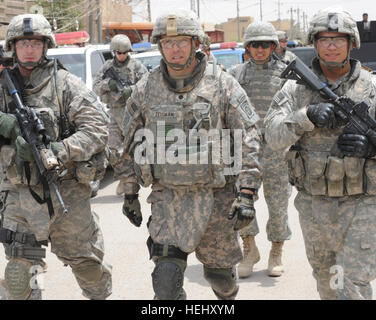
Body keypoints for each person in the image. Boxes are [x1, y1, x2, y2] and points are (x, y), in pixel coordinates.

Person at [120, 9, 262, 300]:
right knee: (165, 281)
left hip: (216, 198)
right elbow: (127, 142)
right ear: (159, 45)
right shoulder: (146, 88)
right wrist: (129, 192)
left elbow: (249, 135)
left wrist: (246, 191)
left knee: (219, 277)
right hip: (168, 197)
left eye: (182, 41)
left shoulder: (222, 84)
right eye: (168, 42)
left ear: (195, 43)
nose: (175, 48)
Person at [264, 7, 376, 299]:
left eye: (339, 38)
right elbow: (272, 136)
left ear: (352, 44)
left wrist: (372, 148)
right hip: (314, 206)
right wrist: (306, 116)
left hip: (362, 204)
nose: (331, 44)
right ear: (314, 43)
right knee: (328, 285)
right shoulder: (293, 90)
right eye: (324, 38)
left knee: (352, 284)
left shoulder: (372, 88)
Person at [0, 14, 112, 300]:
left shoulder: (65, 84)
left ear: (45, 46)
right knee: (18, 278)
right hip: (19, 194)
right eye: (23, 43)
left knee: (90, 272)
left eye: (35, 43)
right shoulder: (2, 84)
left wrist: (58, 151)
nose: (29, 49)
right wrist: (6, 124)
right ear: (13, 46)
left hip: (67, 192)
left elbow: (97, 129)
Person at [228, 21, 292, 278]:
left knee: (277, 205)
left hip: (277, 149)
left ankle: (276, 250)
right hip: (247, 150)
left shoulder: (288, 74)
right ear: (247, 47)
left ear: (273, 46)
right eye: (254, 44)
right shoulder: (236, 73)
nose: (259, 49)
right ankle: (249, 248)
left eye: (265, 44)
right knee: (243, 202)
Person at [93, 34, 148, 196]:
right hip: (114, 112)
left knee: (133, 148)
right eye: (118, 53)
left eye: (124, 53)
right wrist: (107, 84)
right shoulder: (107, 68)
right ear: (114, 52)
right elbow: (95, 87)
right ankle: (124, 179)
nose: (122, 56)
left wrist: (131, 90)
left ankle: (132, 179)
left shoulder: (136, 66)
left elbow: (147, 84)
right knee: (112, 150)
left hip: (132, 112)